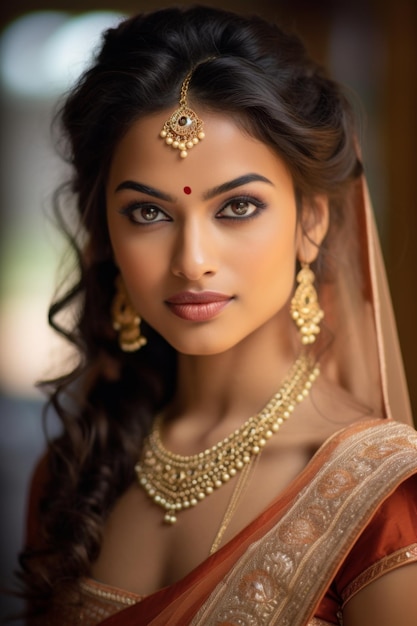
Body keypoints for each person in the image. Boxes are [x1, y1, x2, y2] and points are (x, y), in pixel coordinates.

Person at [18, 5, 417, 626]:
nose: (192, 261)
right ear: (106, 236)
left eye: (237, 206)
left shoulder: (383, 501)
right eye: (148, 213)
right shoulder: (75, 471)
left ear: (311, 222)